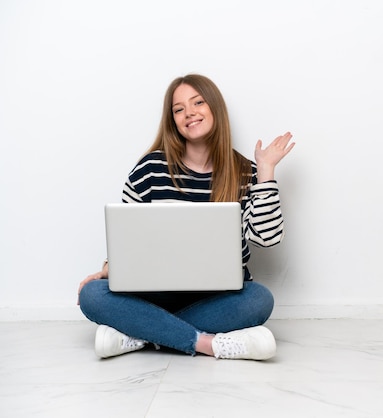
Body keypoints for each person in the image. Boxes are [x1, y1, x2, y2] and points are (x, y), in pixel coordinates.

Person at [78, 74, 295, 360]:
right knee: (92, 294)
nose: (189, 113)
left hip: (217, 296)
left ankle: (140, 334)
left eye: (198, 102)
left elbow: (267, 238)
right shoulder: (150, 169)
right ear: (173, 121)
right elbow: (128, 237)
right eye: (178, 109)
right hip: (154, 294)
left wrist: (266, 172)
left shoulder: (245, 172)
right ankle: (207, 343)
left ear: (215, 108)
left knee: (259, 301)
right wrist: (109, 267)